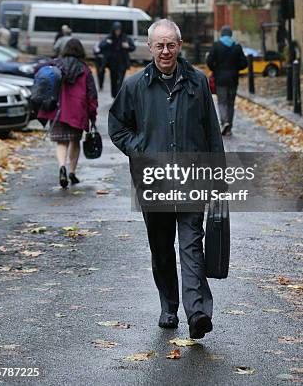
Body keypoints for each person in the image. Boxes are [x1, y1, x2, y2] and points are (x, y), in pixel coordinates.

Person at [108, 19, 224, 340]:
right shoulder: (135, 86)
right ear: (150, 48)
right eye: (159, 45)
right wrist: (139, 148)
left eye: (170, 44)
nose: (165, 51)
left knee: (191, 246)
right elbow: (118, 127)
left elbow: (212, 133)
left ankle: (198, 312)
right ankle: (169, 305)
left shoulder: (197, 82)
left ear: (180, 46)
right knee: (161, 249)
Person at [38, 38, 98, 189]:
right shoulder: (84, 69)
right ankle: (72, 172)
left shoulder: (56, 65)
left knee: (61, 142)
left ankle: (61, 167)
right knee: (75, 142)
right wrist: (92, 114)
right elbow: (91, 94)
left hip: (58, 110)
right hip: (78, 111)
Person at [206, 25, 247, 137]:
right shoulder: (237, 46)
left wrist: (215, 69)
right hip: (233, 79)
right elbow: (244, 63)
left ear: (222, 34)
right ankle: (229, 127)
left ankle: (224, 122)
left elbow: (209, 61)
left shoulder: (216, 46)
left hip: (220, 79)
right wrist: (236, 68)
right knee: (230, 103)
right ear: (231, 34)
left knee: (222, 102)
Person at [99, 21, 135, 98]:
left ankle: (118, 97)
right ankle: (114, 95)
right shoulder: (109, 37)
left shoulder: (125, 37)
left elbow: (133, 47)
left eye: (119, 30)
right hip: (112, 64)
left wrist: (127, 46)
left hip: (122, 63)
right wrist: (107, 43)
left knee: (120, 81)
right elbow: (100, 46)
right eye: (116, 30)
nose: (117, 32)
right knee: (113, 80)